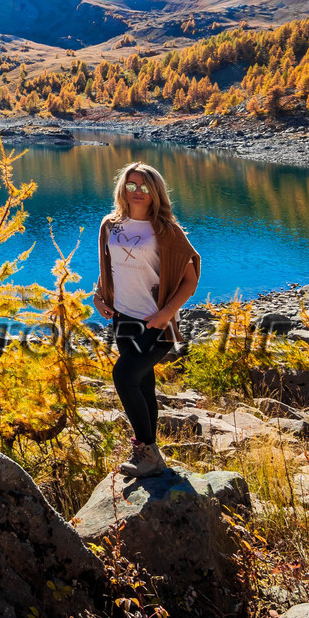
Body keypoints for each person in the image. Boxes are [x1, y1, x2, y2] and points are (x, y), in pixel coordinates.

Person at [92, 162, 201, 478]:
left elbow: (190, 280)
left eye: (144, 186)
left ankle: (146, 450)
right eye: (131, 185)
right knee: (142, 384)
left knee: (123, 376)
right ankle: (150, 457)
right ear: (122, 189)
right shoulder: (111, 225)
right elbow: (110, 268)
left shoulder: (166, 230)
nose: (137, 191)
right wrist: (99, 295)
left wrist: (166, 314)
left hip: (155, 324)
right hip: (122, 319)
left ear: (155, 191)